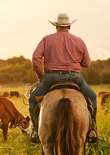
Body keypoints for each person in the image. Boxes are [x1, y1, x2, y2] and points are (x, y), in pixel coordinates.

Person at [28, 13, 100, 143]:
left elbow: (35, 58)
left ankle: (37, 133)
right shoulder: (79, 41)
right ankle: (91, 130)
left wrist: (40, 75)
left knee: (33, 100)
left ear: (55, 26)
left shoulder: (46, 39)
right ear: (69, 26)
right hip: (75, 78)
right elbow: (87, 64)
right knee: (93, 97)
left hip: (50, 78)